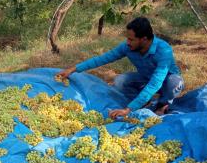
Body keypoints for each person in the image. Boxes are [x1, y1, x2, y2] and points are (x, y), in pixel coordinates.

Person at [56, 17, 184, 118]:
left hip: (165, 81)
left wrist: (128, 110)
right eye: (127, 38)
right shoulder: (128, 47)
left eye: (131, 39)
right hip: (145, 78)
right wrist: (73, 69)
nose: (127, 42)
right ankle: (144, 102)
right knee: (120, 80)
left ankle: (162, 105)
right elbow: (102, 59)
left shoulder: (163, 50)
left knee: (175, 81)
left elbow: (156, 83)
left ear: (144, 39)